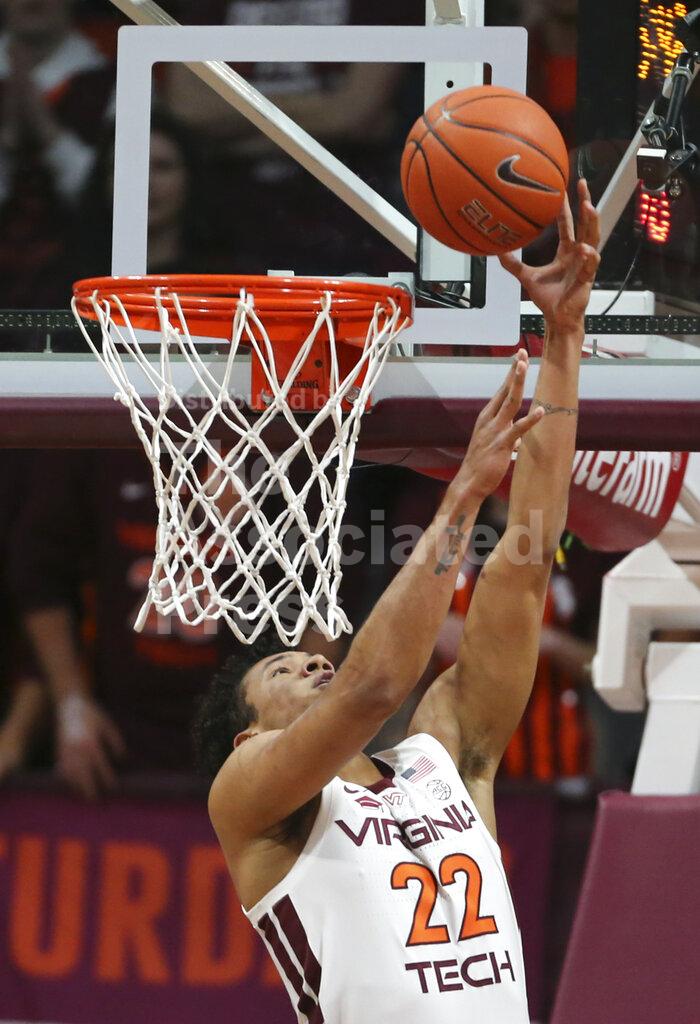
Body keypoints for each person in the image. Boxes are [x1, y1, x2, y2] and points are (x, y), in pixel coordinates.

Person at [194, 180, 600, 1022]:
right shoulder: (249, 799)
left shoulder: (444, 757)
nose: (312, 660)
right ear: (249, 736)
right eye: (280, 670)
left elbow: (524, 567)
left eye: (305, 657)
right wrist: (462, 496)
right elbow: (372, 688)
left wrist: (562, 337)